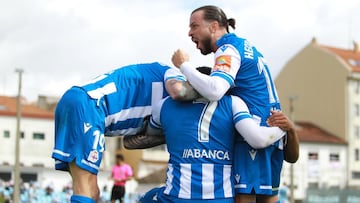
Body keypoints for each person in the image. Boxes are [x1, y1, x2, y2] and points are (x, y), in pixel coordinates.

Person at [171, 5, 299, 203]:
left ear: (214, 26)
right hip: (271, 133)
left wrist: (184, 66)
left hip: (253, 133)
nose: (190, 33)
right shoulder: (245, 46)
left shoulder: (227, 49)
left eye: (194, 26)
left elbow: (215, 89)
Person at [51, 62, 200, 203]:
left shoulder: (166, 109)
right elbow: (179, 91)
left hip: (79, 102)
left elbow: (129, 143)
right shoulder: (175, 76)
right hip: (89, 105)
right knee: (86, 188)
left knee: (91, 190)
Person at [136, 84, 295, 202]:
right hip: (222, 198)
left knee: (147, 198)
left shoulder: (166, 104)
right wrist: (287, 129)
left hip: (176, 197)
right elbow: (268, 144)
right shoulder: (234, 104)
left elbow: (149, 132)